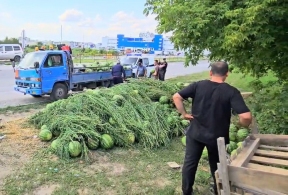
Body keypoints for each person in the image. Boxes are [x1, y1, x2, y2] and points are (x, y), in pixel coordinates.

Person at [172, 61, 252, 195]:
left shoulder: (198, 85)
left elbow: (176, 97)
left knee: (190, 164)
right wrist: (241, 125)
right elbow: (246, 117)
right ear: (227, 74)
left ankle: (186, 192)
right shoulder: (231, 91)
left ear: (210, 72)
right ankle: (217, 191)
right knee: (217, 166)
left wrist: (184, 114)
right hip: (217, 137)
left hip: (195, 133)